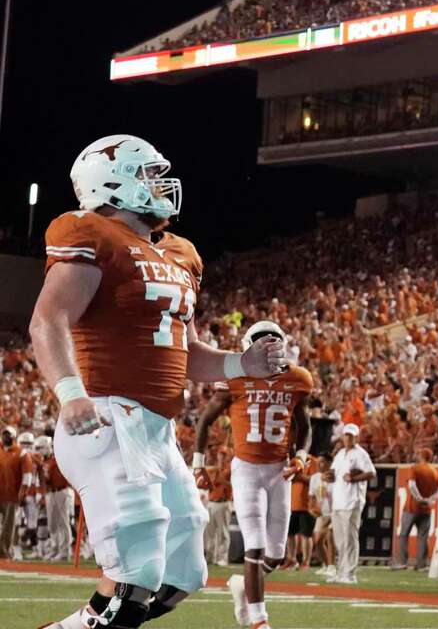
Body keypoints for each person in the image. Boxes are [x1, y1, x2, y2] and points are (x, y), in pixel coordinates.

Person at [29, 134, 285, 629]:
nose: (159, 184)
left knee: (182, 570)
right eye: (147, 174)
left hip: (154, 431)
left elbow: (187, 353)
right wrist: (70, 392)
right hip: (107, 418)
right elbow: (48, 320)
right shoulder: (91, 233)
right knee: (135, 574)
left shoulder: (180, 254)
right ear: (113, 181)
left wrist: (241, 364)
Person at [194, 319, 313, 629]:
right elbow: (205, 421)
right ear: (250, 348)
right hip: (247, 469)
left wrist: (300, 456)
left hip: (280, 472)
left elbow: (305, 426)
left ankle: (239, 584)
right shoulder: (235, 378)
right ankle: (259, 621)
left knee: (275, 554)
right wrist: (198, 463)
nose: (268, 350)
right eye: (263, 344)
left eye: (273, 344)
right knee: (255, 547)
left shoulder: (298, 378)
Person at [327, 423, 375, 584]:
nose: (348, 437)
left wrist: (354, 478)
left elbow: (371, 473)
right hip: (338, 501)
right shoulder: (340, 453)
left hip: (352, 501)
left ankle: (350, 573)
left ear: (356, 437)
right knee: (340, 539)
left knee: (350, 538)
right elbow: (334, 472)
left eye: (351, 435)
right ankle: (342, 571)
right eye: (346, 435)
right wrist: (328, 476)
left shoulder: (361, 454)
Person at [396, 448, 438, 570]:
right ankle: (421, 564)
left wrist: (419, 498)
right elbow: (437, 492)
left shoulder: (415, 468)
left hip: (411, 507)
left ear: (421, 455)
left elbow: (412, 485)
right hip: (426, 509)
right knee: (423, 537)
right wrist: (428, 500)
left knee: (404, 534)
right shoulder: (435, 472)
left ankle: (403, 562)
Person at [41, 434, 74, 562]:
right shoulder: (46, 461)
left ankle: (65, 551)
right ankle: (55, 549)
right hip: (51, 492)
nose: (41, 450)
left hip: (62, 491)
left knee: (63, 522)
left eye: (43, 447)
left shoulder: (59, 458)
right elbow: (46, 480)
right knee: (52, 524)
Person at [203, 450, 233, 566]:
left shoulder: (229, 470)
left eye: (223, 456)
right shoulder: (214, 470)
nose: (221, 458)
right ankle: (210, 557)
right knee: (209, 532)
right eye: (220, 455)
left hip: (223, 503)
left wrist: (221, 480)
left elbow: (228, 481)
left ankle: (223, 558)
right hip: (211, 502)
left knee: (223, 532)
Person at [0, 426, 19, 559]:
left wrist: (22, 492)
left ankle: (5, 551)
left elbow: (26, 475)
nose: (6, 437)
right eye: (4, 434)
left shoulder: (20, 452)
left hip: (12, 494)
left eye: (8, 435)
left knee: (8, 525)